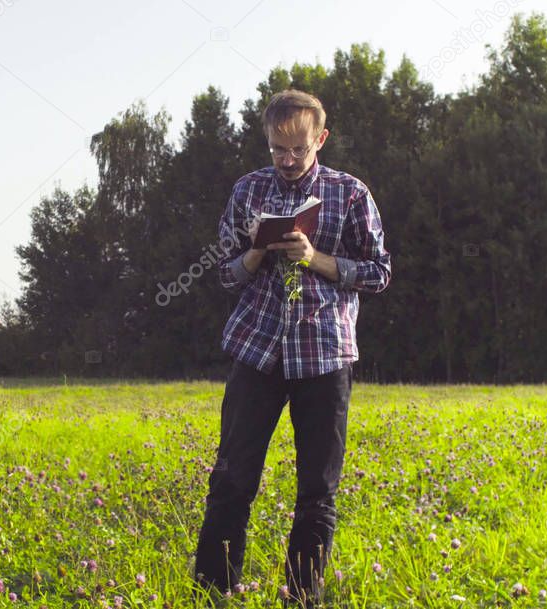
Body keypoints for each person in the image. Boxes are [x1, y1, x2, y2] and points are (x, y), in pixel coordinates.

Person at [192, 89, 392, 608]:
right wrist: (257, 250)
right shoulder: (247, 191)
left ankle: (301, 598)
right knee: (232, 480)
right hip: (256, 352)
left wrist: (315, 258)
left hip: (324, 358)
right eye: (276, 148)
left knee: (317, 492)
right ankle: (213, 592)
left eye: (297, 149)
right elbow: (224, 274)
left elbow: (378, 273)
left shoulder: (350, 194)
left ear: (319, 139)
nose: (285, 160)